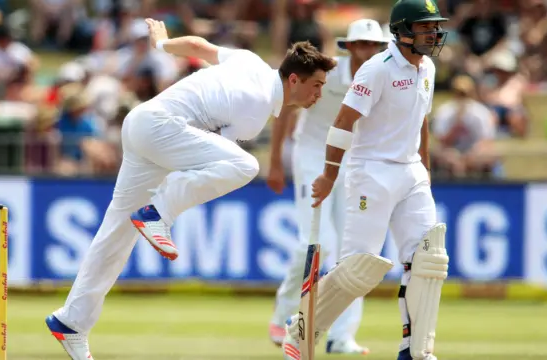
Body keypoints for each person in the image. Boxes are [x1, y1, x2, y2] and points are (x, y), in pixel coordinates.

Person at [44, 18, 337, 360]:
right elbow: (210, 164)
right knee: (246, 165)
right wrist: (165, 202)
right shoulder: (255, 111)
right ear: (293, 79)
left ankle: (71, 322)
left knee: (116, 234)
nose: (319, 94)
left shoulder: (250, 60)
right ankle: (158, 213)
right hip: (162, 130)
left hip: (142, 125)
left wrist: (161, 45)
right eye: (316, 85)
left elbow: (199, 48)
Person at [281, 0, 450, 359]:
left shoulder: (428, 68)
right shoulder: (378, 69)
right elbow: (342, 123)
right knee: (359, 268)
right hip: (371, 171)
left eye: (434, 26)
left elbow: (422, 121)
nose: (433, 33)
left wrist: (426, 171)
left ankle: (416, 350)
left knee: (427, 259)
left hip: (411, 173)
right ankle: (300, 331)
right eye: (425, 27)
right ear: (403, 30)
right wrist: (329, 176)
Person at [267, 19, 388, 355]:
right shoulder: (329, 72)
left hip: (353, 163)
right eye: (359, 44)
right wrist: (276, 161)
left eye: (372, 45)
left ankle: (340, 337)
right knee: (320, 244)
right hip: (310, 156)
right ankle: (283, 314)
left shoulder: (384, 77)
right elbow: (286, 111)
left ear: (380, 48)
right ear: (348, 46)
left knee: (355, 251)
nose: (366, 51)